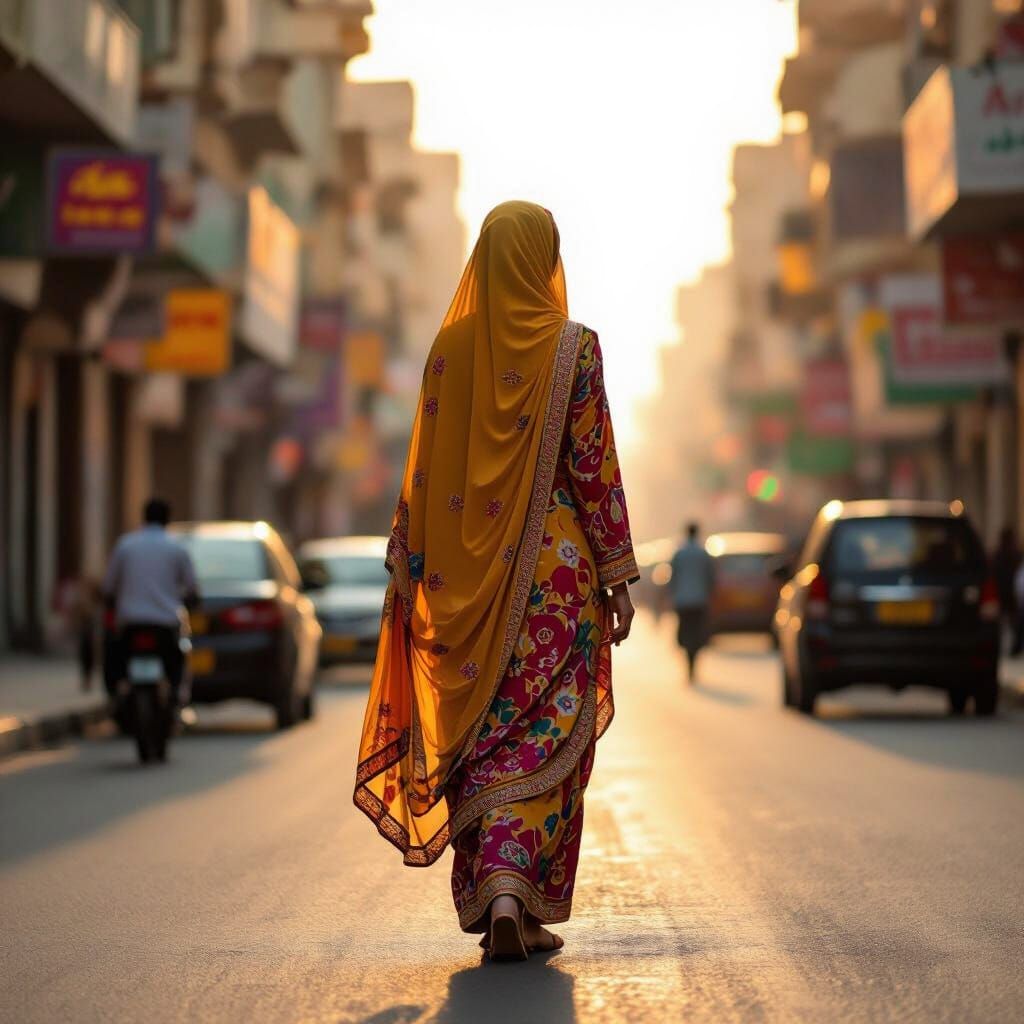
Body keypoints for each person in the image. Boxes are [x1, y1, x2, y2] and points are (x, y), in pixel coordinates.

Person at [354, 201, 638, 961]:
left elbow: (423, 469)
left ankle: (498, 893)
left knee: (479, 735)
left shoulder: (448, 348)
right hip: (555, 579)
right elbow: (592, 467)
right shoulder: (576, 349)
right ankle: (519, 892)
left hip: (459, 580)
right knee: (544, 738)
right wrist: (616, 576)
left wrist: (405, 563)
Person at [103, 498, 199, 705]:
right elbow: (192, 588)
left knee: (113, 654)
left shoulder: (125, 545)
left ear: (144, 518)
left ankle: (116, 692)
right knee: (177, 663)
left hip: (130, 623)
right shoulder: (177, 548)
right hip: (166, 624)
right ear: (168, 519)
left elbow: (109, 587)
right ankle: (177, 696)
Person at [670, 522, 714, 681]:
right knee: (696, 633)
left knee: (685, 633)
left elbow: (672, 578)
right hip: (699, 600)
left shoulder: (679, 553)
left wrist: (671, 596)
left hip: (682, 600)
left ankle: (689, 663)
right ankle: (692, 663)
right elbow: (711, 578)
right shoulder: (703, 553)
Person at [991, 526, 1021, 654]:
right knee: (1013, 623)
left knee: (1008, 623)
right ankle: (1014, 647)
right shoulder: (1015, 555)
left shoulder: (998, 555)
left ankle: (1012, 646)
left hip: (1003, 592)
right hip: (1010, 593)